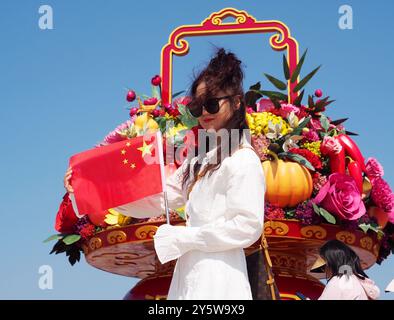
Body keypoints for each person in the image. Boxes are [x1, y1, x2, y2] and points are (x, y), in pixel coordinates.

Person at [64, 48, 266, 300]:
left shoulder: (242, 159)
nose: (204, 112)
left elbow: (248, 226)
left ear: (237, 103)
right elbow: (161, 198)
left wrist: (185, 237)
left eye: (212, 103)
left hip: (220, 278)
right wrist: (89, 189)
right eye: (197, 106)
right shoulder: (201, 159)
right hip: (189, 272)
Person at [311, 239, 380, 300]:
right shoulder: (359, 283)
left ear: (332, 262)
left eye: (323, 264)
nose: (324, 270)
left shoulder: (338, 281)